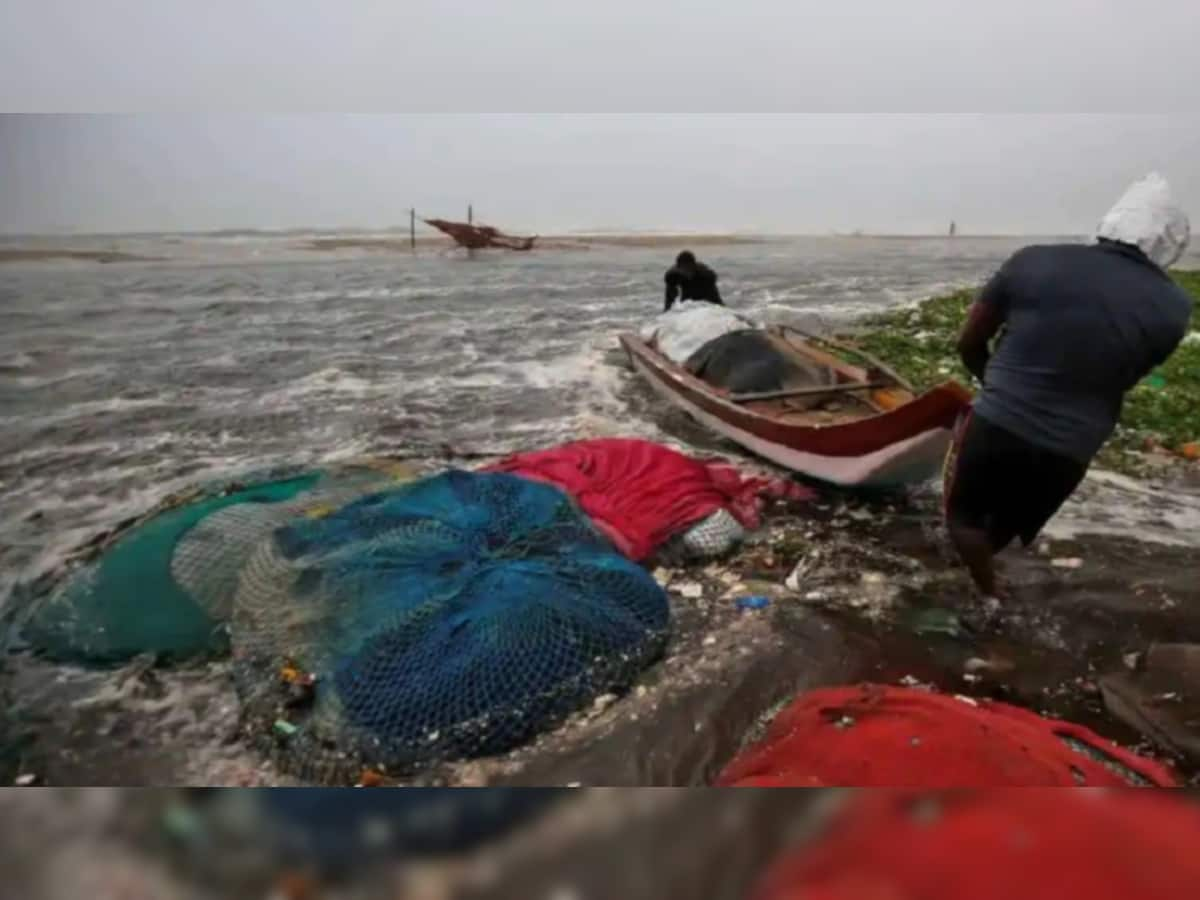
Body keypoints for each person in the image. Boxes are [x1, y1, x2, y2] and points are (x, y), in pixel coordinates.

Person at [946, 173, 1191, 601]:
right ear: (1168, 242)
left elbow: (969, 343)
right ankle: (988, 584)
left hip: (999, 422)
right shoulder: (1175, 306)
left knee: (963, 519)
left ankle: (987, 596)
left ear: (1112, 222)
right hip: (1073, 446)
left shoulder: (1032, 260)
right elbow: (1123, 375)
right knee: (1005, 526)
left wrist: (995, 385)